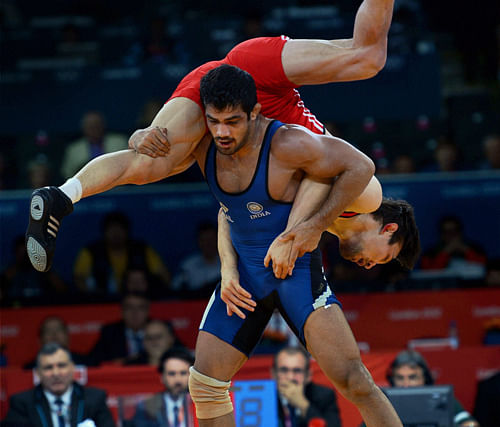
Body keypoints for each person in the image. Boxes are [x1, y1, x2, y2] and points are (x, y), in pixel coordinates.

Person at [25, 0, 397, 274]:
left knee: (147, 161)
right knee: (367, 57)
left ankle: (61, 195)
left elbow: (230, 206)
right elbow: (354, 169)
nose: (370, 266)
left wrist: (229, 271)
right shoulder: (364, 198)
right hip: (263, 84)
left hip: (227, 112)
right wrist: (308, 230)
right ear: (389, 227)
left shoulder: (313, 217)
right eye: (385, 256)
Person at [185, 65, 409, 426]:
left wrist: (306, 231)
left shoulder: (301, 152)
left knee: (355, 381)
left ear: (254, 113)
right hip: (245, 280)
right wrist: (227, 271)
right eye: (217, 121)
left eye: (232, 120)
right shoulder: (223, 148)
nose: (223, 131)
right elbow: (228, 213)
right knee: (205, 385)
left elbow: (357, 168)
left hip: (297, 277)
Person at [3, 343, 115, 427]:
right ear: (38, 373)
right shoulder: (22, 403)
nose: (56, 373)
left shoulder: (94, 398)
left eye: (61, 366)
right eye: (48, 367)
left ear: (72, 368)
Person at [73, 211, 170, 298]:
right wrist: (93, 296)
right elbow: (79, 278)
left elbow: (164, 275)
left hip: (139, 300)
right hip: (102, 302)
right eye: (111, 230)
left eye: (120, 230)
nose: (116, 234)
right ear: (104, 232)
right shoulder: (91, 251)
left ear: (127, 231)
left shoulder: (141, 249)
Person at [386, 350, 478, 427]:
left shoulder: (440, 398)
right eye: (400, 378)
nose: (406, 384)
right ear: (392, 379)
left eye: (412, 378)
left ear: (425, 378)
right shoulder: (383, 402)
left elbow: (470, 423)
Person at [272, 346, 341, 427]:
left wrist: (303, 404)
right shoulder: (263, 398)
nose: (290, 377)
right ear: (273, 374)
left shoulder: (324, 396)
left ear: (308, 375)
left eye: (297, 370)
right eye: (284, 370)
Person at [130, 348, 196, 427]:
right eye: (172, 374)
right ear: (162, 377)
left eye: (183, 373)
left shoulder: (201, 404)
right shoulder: (146, 407)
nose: (178, 379)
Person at [60, 110, 128, 179]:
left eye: (97, 124)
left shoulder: (120, 142)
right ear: (83, 128)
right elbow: (67, 175)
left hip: (117, 185)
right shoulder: (73, 149)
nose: (94, 128)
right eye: (90, 126)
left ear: (103, 125)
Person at [88, 292, 150, 366]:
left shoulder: (160, 329)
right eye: (129, 307)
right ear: (121, 311)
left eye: (140, 307)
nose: (135, 312)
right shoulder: (110, 332)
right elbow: (94, 360)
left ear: (147, 311)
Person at [420, 215, 487, 274]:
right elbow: (428, 273)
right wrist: (445, 253)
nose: (450, 235)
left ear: (460, 232)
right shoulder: (430, 253)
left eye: (454, 231)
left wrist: (466, 250)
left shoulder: (476, 249)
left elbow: (483, 268)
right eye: (446, 232)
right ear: (441, 234)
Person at [172, 221, 221, 299]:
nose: (208, 243)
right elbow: (176, 289)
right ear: (198, 241)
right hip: (193, 307)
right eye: (204, 240)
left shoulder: (228, 263)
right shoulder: (188, 265)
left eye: (211, 239)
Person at [24, 315, 88, 369]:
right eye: (48, 331)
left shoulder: (85, 363)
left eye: (59, 329)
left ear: (68, 336)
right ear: (39, 340)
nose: (54, 334)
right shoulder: (30, 368)